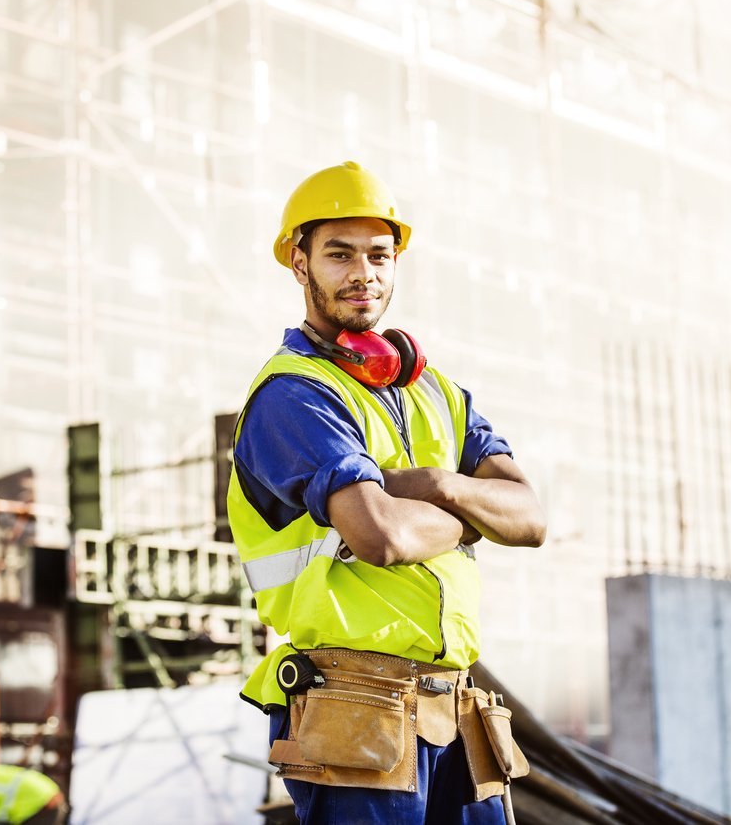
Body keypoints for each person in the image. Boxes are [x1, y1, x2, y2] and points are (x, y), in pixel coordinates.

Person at [227, 161, 547, 824]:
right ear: (299, 264)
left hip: (456, 709)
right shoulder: (294, 395)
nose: (362, 273)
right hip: (352, 704)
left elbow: (531, 516)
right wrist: (469, 513)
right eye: (338, 254)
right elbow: (382, 536)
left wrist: (432, 485)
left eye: (378, 254)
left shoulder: (439, 394)